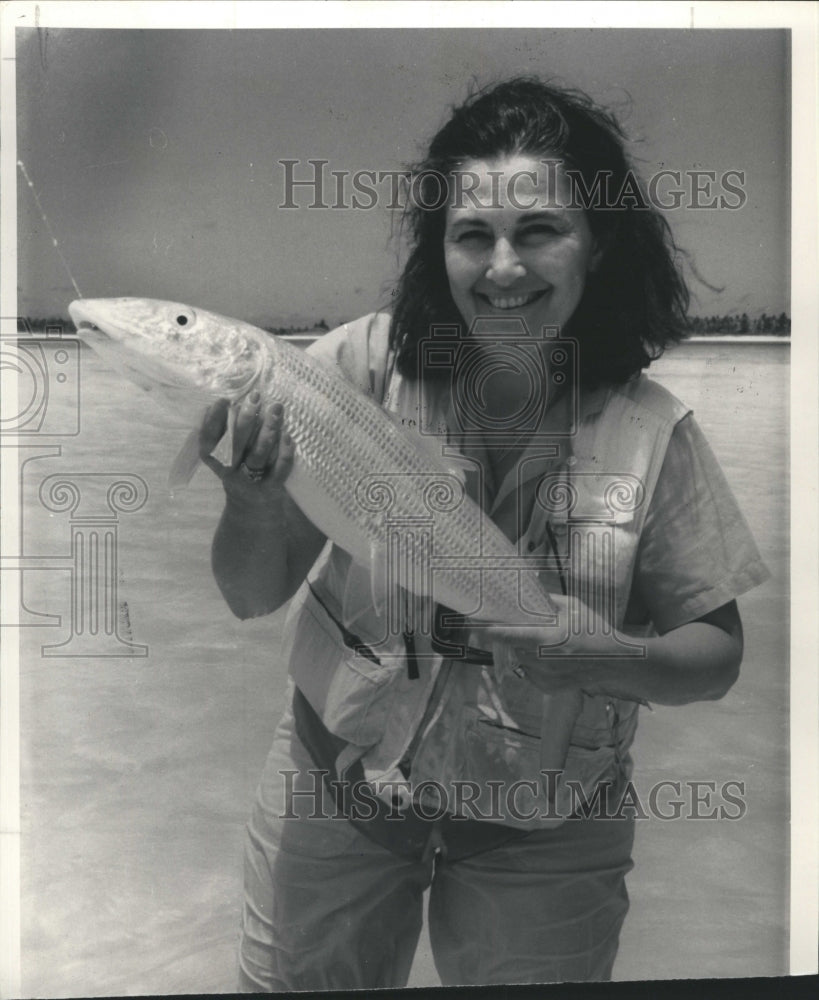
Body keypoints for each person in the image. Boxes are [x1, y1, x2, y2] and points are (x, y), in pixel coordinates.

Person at [198, 78, 769, 989]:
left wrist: (604, 655)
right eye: (472, 236)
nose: (503, 269)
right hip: (334, 783)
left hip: (549, 823)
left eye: (539, 230)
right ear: (441, 249)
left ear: (598, 242)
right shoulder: (354, 371)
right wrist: (255, 504)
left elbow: (715, 656)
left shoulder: (655, 431)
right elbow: (248, 593)